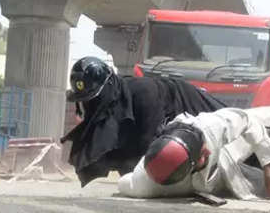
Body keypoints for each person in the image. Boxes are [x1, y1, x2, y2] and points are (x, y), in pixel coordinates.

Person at [61, 57, 225, 186]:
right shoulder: (114, 100)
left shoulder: (144, 93)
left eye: (94, 98)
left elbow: (148, 143)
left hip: (195, 106)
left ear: (108, 85)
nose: (90, 105)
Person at [117, 104, 270, 202]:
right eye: (202, 156)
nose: (206, 150)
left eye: (202, 145)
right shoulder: (143, 186)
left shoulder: (207, 128)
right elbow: (124, 183)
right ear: (186, 173)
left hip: (230, 142)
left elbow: (247, 121)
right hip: (222, 177)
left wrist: (269, 166)